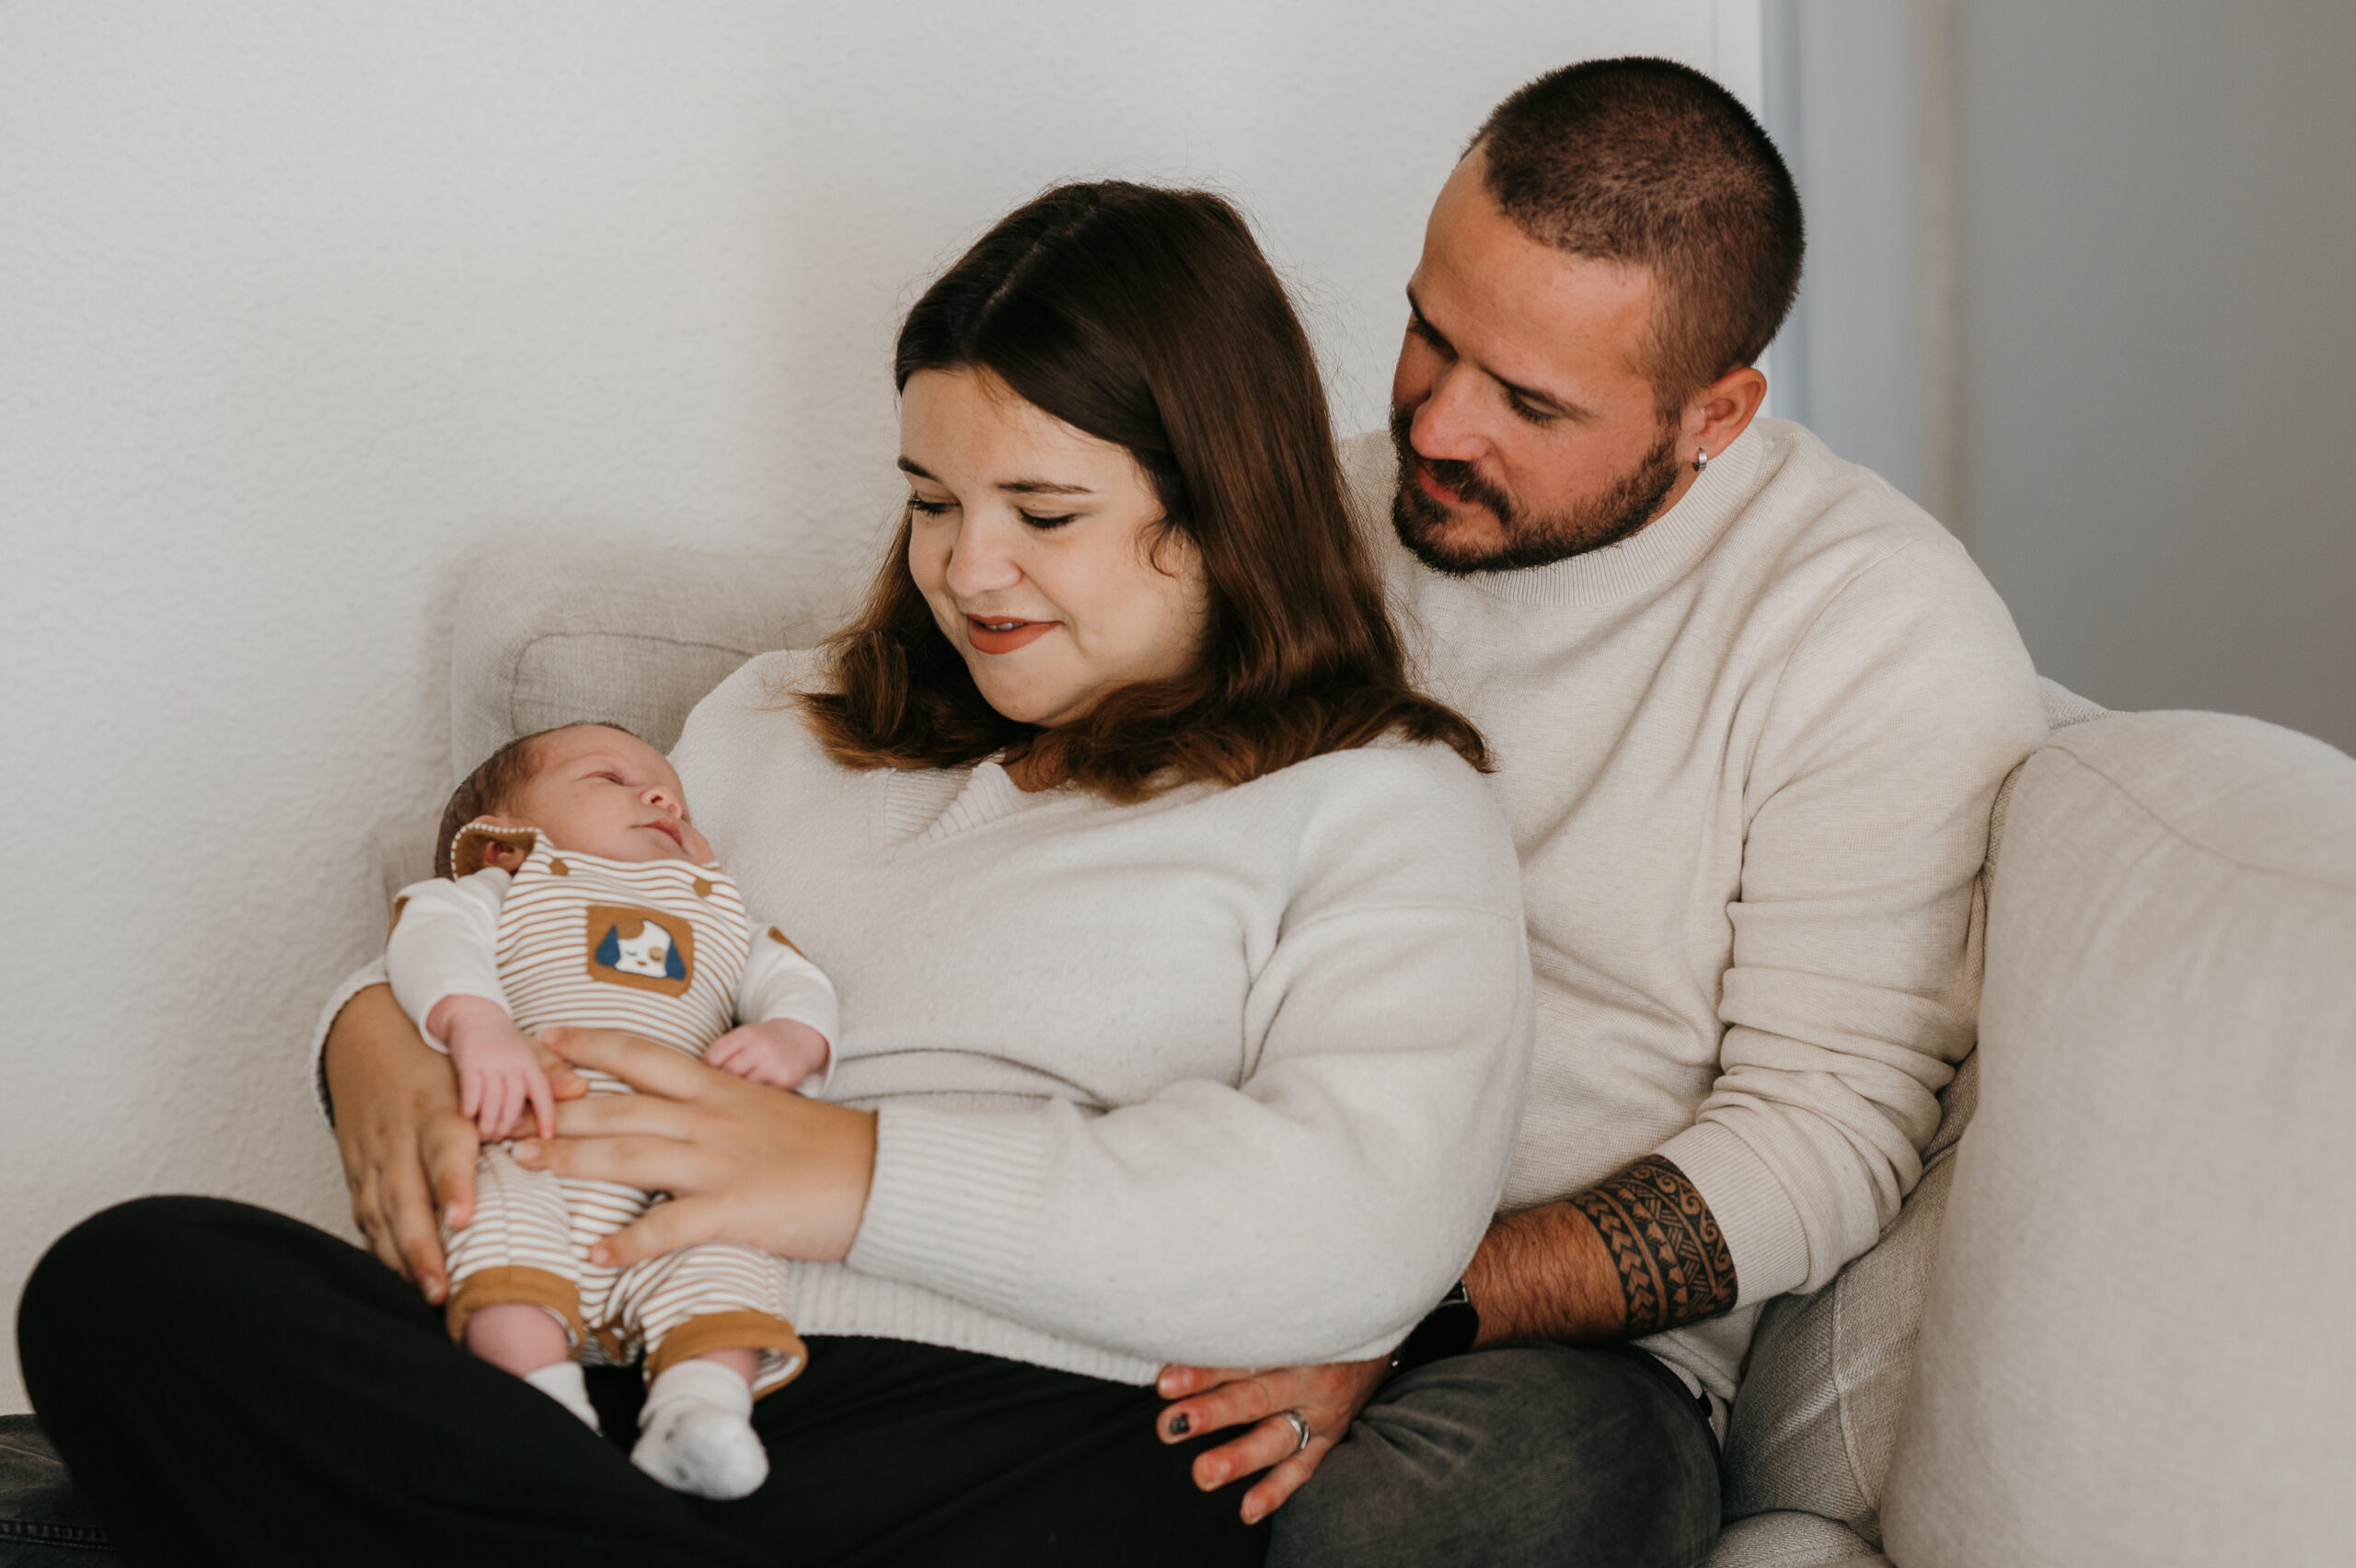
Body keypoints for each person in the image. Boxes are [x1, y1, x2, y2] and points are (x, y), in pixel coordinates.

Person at [17, 180, 1533, 1567]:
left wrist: (846, 1171)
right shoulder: (771, 723)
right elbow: (557, 914)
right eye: (933, 501)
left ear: (1222, 499)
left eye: (1044, 513)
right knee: (128, 1280)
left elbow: (1358, 1216)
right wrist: (377, 1044)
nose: (969, 570)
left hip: (1018, 1418)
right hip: (606, 1368)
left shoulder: (1380, 794)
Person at [1149, 57, 2047, 1567]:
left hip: (1525, 1348)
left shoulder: (1875, 631)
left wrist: (1399, 1296)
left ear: (1717, 412)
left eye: (1529, 401)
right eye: (1433, 332)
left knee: (1566, 1482)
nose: (1436, 425)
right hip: (1170, 1206)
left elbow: (1824, 1131)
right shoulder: (1301, 516)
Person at [387, 721, 841, 1499]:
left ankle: (698, 1413)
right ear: (501, 840)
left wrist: (792, 1041)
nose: (662, 797)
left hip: (681, 1171)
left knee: (730, 1254)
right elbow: (430, 934)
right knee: (489, 1225)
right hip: (533, 1137)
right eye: (608, 779)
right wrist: (476, 1022)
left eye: (676, 796)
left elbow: (797, 981)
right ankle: (542, 1404)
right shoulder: (513, 883)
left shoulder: (724, 908)